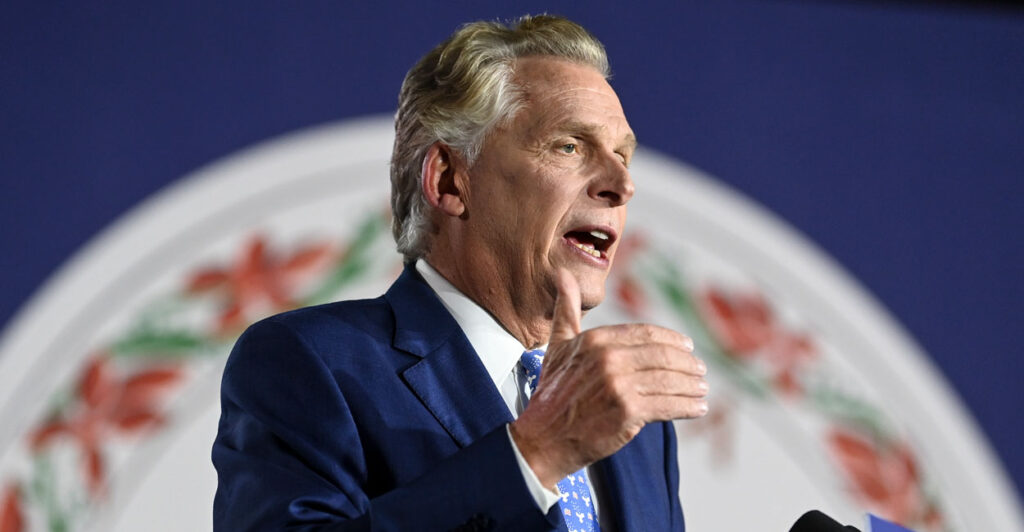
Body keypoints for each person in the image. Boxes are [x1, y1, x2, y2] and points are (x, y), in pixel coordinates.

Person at [212, 14, 709, 531]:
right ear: (450, 181)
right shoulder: (310, 364)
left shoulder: (635, 429)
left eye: (623, 155)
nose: (621, 184)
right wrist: (535, 453)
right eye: (569, 146)